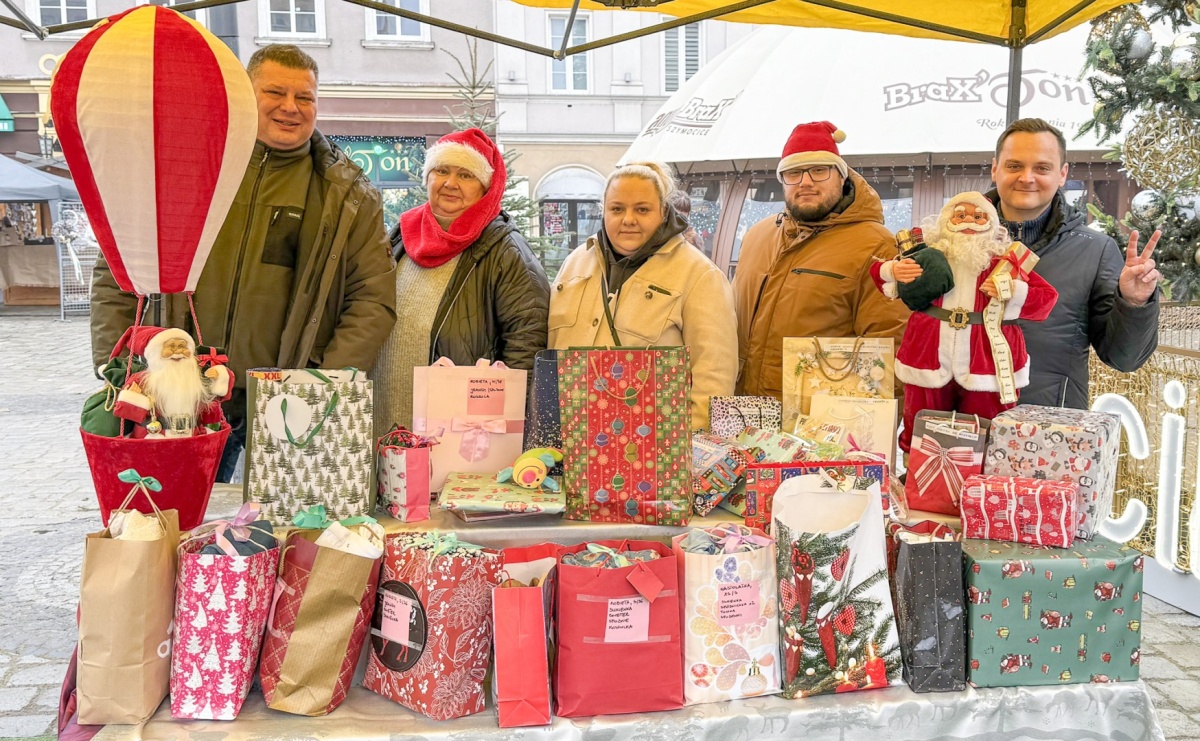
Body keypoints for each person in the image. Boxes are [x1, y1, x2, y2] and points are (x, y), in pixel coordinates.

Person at [90, 44, 397, 480]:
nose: (291, 108)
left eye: (305, 97)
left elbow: (372, 299)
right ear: (244, 95)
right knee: (173, 519)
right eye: (275, 92)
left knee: (285, 531)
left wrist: (322, 384)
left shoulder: (346, 195)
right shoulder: (181, 168)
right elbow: (117, 266)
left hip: (286, 404)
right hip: (175, 396)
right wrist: (118, 360)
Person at [371, 127, 550, 436]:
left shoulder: (505, 251)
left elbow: (526, 346)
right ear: (428, 177)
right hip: (386, 415)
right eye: (441, 170)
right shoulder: (401, 234)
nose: (450, 184)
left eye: (466, 175)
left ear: (486, 187)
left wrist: (499, 426)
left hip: (461, 435)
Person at [548, 161, 737, 431]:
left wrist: (685, 452)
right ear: (604, 212)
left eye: (642, 209)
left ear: (662, 212)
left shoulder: (698, 275)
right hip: (572, 444)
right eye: (617, 209)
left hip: (652, 451)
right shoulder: (574, 264)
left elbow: (714, 381)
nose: (628, 219)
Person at [987, 118, 1161, 409]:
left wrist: (1133, 303)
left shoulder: (1095, 251)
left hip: (1050, 433)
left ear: (1062, 174)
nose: (1027, 177)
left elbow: (1124, 358)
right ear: (995, 169)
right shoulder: (952, 242)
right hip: (961, 429)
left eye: (1042, 168)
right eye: (1014, 166)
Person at [733, 121, 910, 401]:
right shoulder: (757, 237)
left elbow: (888, 350)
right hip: (743, 415)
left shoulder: (876, 244)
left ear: (842, 176)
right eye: (793, 173)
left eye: (819, 170)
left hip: (820, 428)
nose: (805, 182)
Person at [870, 193, 1058, 452]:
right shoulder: (928, 258)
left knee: (987, 429)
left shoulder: (1005, 264)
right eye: (960, 215)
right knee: (923, 424)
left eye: (978, 216)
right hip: (927, 356)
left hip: (986, 361)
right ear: (946, 221)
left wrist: (1011, 290)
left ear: (991, 225)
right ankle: (918, 475)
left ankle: (982, 480)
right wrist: (893, 271)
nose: (969, 220)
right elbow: (880, 278)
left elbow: (1046, 300)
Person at [111, 327, 233, 439]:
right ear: (156, 353)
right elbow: (124, 412)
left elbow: (217, 399)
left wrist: (219, 378)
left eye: (182, 346)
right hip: (153, 437)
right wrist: (133, 399)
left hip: (192, 436)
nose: (178, 351)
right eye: (171, 346)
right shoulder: (141, 380)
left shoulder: (198, 377)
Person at [667, 189, 705, 254]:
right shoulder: (657, 233)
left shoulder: (693, 240)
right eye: (675, 213)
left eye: (684, 212)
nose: (678, 218)